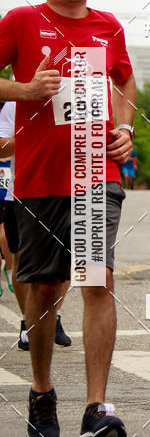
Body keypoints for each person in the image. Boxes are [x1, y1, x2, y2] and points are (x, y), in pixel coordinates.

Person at [0, 0, 137, 437]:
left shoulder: (109, 27)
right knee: (43, 289)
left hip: (96, 173)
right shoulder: (20, 21)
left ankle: (96, 407)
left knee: (96, 281)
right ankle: (41, 389)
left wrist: (125, 128)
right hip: (38, 179)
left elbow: (124, 83)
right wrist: (25, 91)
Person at [0, 101, 72, 350]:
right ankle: (27, 322)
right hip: (21, 193)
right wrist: (33, 137)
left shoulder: (75, 96)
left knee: (67, 260)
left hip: (67, 191)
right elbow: (1, 147)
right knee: (20, 260)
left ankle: (54, 317)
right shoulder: (14, 103)